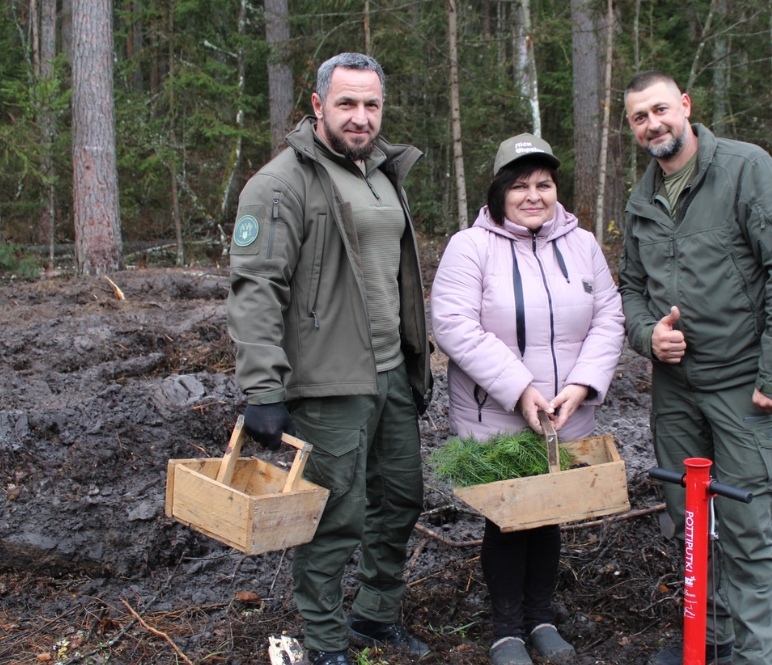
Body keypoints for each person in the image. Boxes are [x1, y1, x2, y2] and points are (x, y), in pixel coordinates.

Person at [225, 53, 432, 665]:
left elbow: (393, 276)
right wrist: (262, 388)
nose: (361, 117)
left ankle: (374, 615)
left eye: (371, 104)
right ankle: (325, 641)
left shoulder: (381, 173)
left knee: (400, 500)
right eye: (346, 103)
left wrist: (415, 367)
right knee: (332, 517)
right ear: (318, 105)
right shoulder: (279, 184)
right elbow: (256, 286)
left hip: (391, 373)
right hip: (328, 380)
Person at [619, 71, 772, 665]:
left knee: (747, 526)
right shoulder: (639, 198)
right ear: (631, 129)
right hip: (675, 394)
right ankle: (708, 640)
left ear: (684, 105)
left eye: (660, 110)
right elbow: (630, 287)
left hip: (743, 387)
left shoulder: (745, 169)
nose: (653, 124)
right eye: (638, 118)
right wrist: (647, 336)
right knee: (688, 526)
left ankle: (753, 655)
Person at [431, 134, 625, 665]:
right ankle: (506, 631)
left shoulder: (582, 244)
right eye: (519, 186)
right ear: (499, 192)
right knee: (509, 518)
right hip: (495, 411)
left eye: (543, 184)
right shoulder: (469, 247)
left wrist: (582, 385)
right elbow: (453, 325)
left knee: (550, 515)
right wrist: (520, 391)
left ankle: (541, 618)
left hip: (565, 412)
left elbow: (609, 317)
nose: (533, 195)